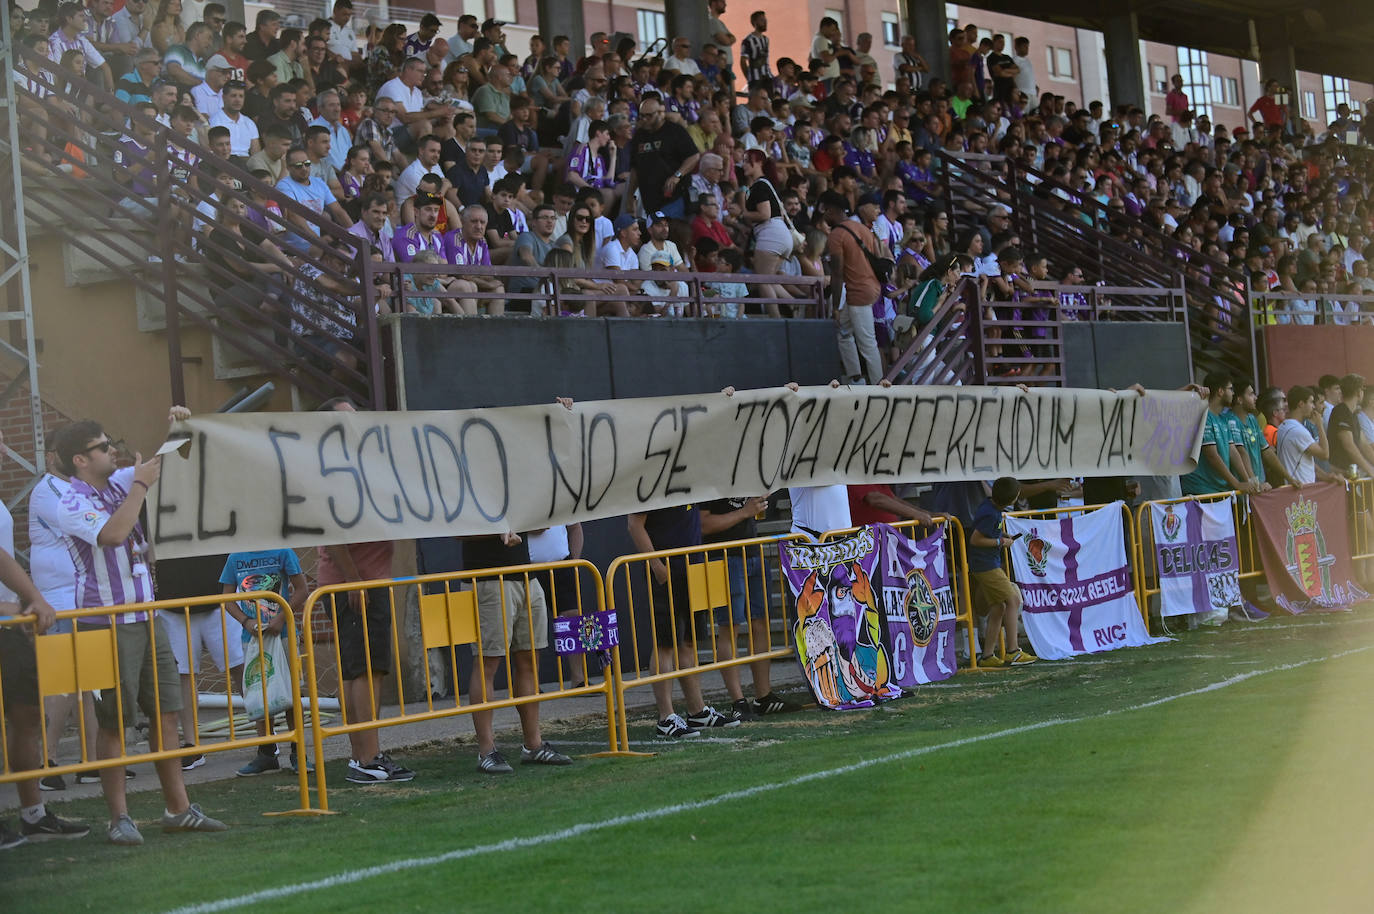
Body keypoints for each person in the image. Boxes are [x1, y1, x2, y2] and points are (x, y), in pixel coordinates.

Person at [51, 412, 228, 844]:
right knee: (113, 724)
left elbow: (162, 460)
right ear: (80, 459)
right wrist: (140, 486)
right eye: (102, 445)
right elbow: (112, 533)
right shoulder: (69, 501)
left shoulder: (118, 482)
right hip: (102, 624)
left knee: (167, 712)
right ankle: (119, 818)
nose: (112, 449)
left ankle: (179, 808)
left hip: (145, 617)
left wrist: (176, 426)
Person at [309, 397, 414, 784]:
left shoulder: (359, 463)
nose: (356, 423)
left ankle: (367, 755)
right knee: (364, 671)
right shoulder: (331, 469)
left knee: (366, 670)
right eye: (346, 418)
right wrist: (353, 578)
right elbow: (332, 529)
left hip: (365, 581)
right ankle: (365, 759)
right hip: (353, 584)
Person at [458, 527, 573, 773]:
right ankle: (486, 751)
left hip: (525, 576)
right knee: (487, 663)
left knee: (530, 659)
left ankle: (533, 745)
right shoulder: (469, 489)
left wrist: (532, 523)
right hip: (487, 579)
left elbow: (536, 525)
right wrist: (499, 530)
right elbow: (457, 530)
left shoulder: (514, 490)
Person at [627, 505, 743, 739]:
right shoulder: (653, 481)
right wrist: (656, 565)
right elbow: (634, 524)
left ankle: (697, 710)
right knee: (665, 644)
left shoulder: (688, 479)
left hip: (694, 566)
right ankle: (666, 717)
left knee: (689, 642)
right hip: (667, 568)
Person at [219, 547, 309, 776]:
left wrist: (281, 618)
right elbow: (227, 597)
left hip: (284, 635)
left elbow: (302, 590)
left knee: (292, 692)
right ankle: (267, 752)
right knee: (260, 690)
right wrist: (245, 621)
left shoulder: (283, 552)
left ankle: (299, 751)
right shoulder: (235, 556)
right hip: (252, 639)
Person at [968, 477, 1037, 667]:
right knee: (1013, 599)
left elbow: (986, 532)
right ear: (1012, 499)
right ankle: (1013, 651)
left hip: (987, 563)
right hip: (986, 565)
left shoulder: (991, 508)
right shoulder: (991, 513)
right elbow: (975, 539)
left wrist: (1001, 536)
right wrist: (1000, 542)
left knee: (999, 607)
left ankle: (988, 656)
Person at [819, 190, 885, 385]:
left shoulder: (836, 235)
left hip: (857, 293)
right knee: (844, 333)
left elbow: (837, 274)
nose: (824, 216)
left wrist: (836, 308)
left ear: (831, 210)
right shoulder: (863, 229)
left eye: (825, 212)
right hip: (872, 287)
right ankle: (856, 378)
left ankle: (880, 387)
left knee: (867, 344)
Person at [1181, 371, 1265, 496]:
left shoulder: (1223, 419)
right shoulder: (1204, 414)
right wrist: (1236, 484)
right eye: (1230, 389)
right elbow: (1212, 455)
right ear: (1220, 391)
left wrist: (1251, 482)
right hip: (1201, 490)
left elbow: (1234, 452)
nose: (1233, 393)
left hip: (1218, 490)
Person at [1328, 374, 1374, 478]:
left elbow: (1364, 444)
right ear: (1358, 392)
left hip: (1352, 473)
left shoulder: (1352, 414)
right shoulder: (1341, 411)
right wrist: (1369, 469)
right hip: (1342, 474)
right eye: (1362, 389)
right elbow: (1349, 445)